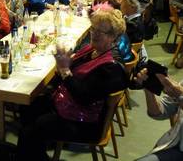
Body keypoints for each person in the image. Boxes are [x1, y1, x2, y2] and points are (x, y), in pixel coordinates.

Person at [16, 9, 128, 161]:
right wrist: (64, 64)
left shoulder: (111, 67)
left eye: (100, 32)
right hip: (68, 104)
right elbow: (70, 74)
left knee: (32, 130)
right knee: (28, 106)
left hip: (86, 122)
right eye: (93, 29)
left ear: (113, 37)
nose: (93, 34)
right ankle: (36, 152)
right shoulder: (92, 49)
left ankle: (30, 151)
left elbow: (83, 97)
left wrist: (64, 70)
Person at [135, 69, 183, 161]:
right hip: (176, 145)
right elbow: (157, 113)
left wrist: (179, 94)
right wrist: (149, 88)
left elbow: (179, 94)